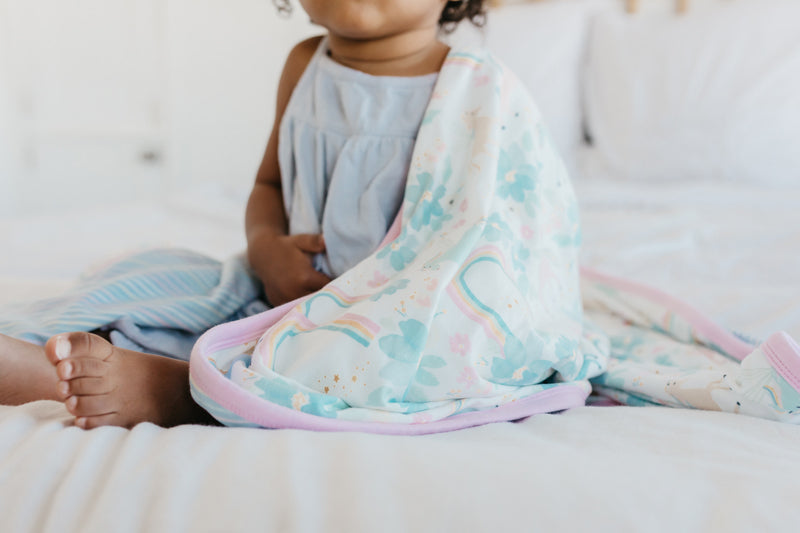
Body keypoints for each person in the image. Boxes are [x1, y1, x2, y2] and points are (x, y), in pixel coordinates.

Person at [0, 0, 487, 429]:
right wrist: (266, 249)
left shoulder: (475, 88)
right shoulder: (307, 63)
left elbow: (493, 232)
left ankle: (171, 390)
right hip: (274, 291)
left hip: (384, 322)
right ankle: (49, 356)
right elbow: (269, 185)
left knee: (334, 367)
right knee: (153, 280)